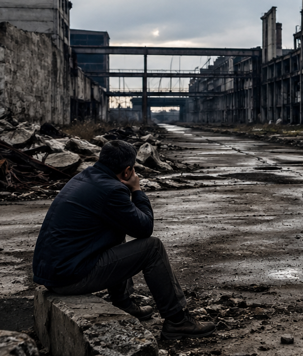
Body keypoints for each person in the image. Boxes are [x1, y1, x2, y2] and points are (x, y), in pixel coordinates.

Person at [32, 139, 215, 341]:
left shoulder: (84, 177)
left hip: (54, 272)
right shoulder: (112, 190)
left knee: (115, 228)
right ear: (127, 171)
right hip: (69, 278)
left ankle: (122, 302)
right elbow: (144, 228)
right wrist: (136, 190)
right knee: (152, 248)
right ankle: (178, 321)